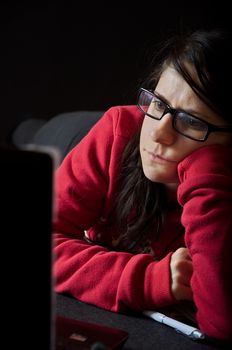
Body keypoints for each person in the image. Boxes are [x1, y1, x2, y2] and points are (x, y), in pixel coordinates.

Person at [53, 28, 232, 341]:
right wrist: (151, 279)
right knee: (39, 132)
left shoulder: (220, 188)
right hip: (74, 135)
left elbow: (222, 323)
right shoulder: (120, 131)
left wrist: (208, 175)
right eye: (159, 103)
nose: (158, 133)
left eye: (191, 121)